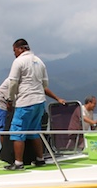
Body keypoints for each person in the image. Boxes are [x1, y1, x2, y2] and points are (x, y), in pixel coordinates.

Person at [4, 39, 65, 171]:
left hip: (25, 100)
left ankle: (18, 162)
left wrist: (10, 100)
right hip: (40, 101)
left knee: (18, 131)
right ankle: (40, 159)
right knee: (35, 131)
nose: (14, 54)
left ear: (20, 49)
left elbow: (13, 83)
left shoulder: (19, 61)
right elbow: (45, 85)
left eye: (14, 51)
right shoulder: (39, 61)